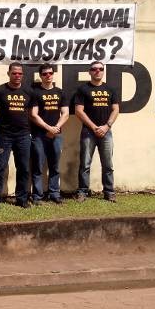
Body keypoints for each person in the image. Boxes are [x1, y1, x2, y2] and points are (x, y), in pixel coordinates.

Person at [75, 61, 120, 202]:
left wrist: (107, 126)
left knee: (107, 164)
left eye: (100, 69)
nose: (97, 71)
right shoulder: (83, 89)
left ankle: (109, 191)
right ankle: (82, 191)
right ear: (89, 72)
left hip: (106, 132)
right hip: (88, 132)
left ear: (103, 71)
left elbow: (116, 109)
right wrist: (94, 127)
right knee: (85, 164)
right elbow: (78, 111)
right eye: (94, 69)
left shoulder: (110, 89)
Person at [0, 62, 32, 209]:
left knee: (24, 168)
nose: (17, 76)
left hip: (24, 136)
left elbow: (33, 114)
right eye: (14, 73)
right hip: (4, 136)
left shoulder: (28, 91)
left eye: (20, 73)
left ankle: (22, 199)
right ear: (8, 73)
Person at [29, 63, 69, 205]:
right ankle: (38, 196)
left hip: (57, 135)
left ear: (53, 74)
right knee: (38, 166)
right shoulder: (35, 92)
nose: (48, 76)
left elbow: (65, 113)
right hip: (39, 135)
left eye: (50, 73)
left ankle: (54, 194)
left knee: (55, 166)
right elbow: (33, 114)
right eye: (45, 74)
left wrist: (56, 128)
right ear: (40, 76)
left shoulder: (60, 92)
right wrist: (48, 128)